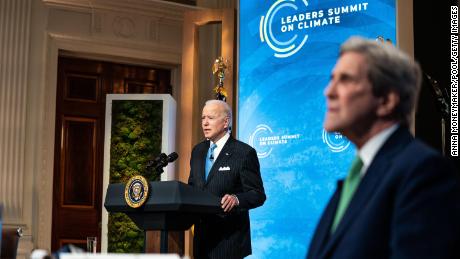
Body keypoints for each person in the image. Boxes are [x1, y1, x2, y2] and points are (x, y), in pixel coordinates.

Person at [307, 36, 460, 259]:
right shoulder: (357, 177)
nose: (328, 92)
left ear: (387, 100)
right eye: (332, 79)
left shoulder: (423, 172)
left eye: (346, 80)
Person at [188, 99, 266, 259]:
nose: (205, 123)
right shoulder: (198, 151)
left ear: (225, 122)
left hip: (229, 241)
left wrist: (237, 199)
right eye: (203, 118)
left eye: (210, 118)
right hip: (201, 240)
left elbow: (257, 194)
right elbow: (192, 186)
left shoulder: (244, 152)